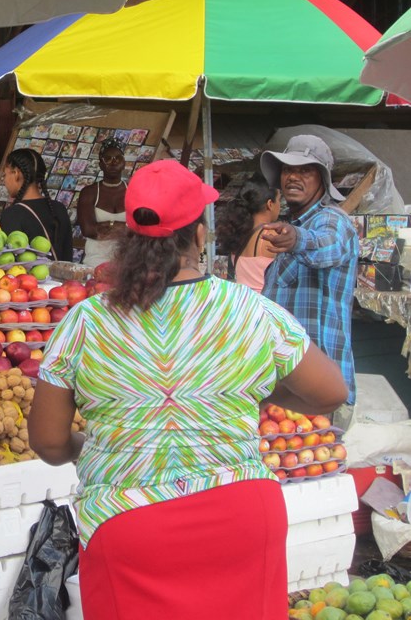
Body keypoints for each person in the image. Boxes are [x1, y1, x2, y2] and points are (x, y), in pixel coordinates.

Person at [28, 159, 346, 620]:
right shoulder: (250, 310)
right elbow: (330, 392)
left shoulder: (86, 322)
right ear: (200, 235)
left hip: (129, 521)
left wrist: (96, 446)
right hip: (240, 516)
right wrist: (252, 388)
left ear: (129, 238)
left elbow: (49, 442)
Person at [259, 134, 359, 417]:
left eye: (305, 170)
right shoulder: (290, 224)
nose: (293, 177)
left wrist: (298, 239)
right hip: (287, 392)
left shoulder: (331, 219)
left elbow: (328, 245)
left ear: (323, 180)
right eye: (289, 170)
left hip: (317, 394)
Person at [0, 147, 73, 261]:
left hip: (31, 278)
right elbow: (68, 254)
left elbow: (8, 261)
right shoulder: (59, 208)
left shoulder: (12, 214)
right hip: (61, 278)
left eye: (5, 175)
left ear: (16, 173)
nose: (4, 180)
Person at [214, 172, 282, 292]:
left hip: (245, 303)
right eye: (279, 200)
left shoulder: (238, 232)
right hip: (266, 304)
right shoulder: (270, 236)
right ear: (270, 204)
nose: (280, 206)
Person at [76, 138, 127, 270]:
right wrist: (125, 227)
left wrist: (106, 225)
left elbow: (139, 230)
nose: (113, 162)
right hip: (94, 263)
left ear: (124, 163)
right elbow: (88, 230)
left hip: (126, 263)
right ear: (100, 165)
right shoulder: (89, 193)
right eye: (108, 159)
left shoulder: (133, 191)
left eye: (118, 158)